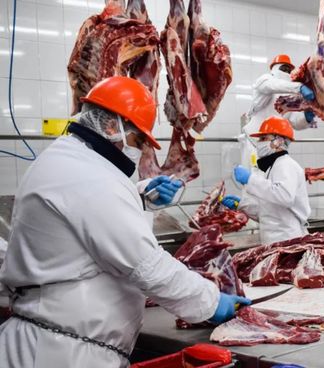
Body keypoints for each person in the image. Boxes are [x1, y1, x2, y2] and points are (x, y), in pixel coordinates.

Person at [0, 77, 250, 367]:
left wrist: (141, 199)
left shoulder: (70, 161)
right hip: (60, 353)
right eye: (138, 139)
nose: (140, 149)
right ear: (110, 127)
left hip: (61, 343)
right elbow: (147, 266)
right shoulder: (87, 175)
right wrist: (211, 302)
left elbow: (91, 229)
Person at [224, 116, 310, 245]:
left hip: (288, 239)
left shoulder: (286, 165)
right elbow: (268, 212)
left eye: (263, 138)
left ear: (279, 141)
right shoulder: (273, 166)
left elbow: (284, 197)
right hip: (275, 240)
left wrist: (250, 179)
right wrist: (242, 205)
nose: (259, 142)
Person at [240, 54, 317, 168]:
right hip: (254, 142)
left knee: (271, 180)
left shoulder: (290, 93)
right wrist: (299, 87)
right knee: (252, 177)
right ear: (274, 67)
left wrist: (306, 118)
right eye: (283, 68)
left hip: (276, 146)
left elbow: (293, 121)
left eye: (289, 69)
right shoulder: (265, 80)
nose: (286, 71)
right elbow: (272, 86)